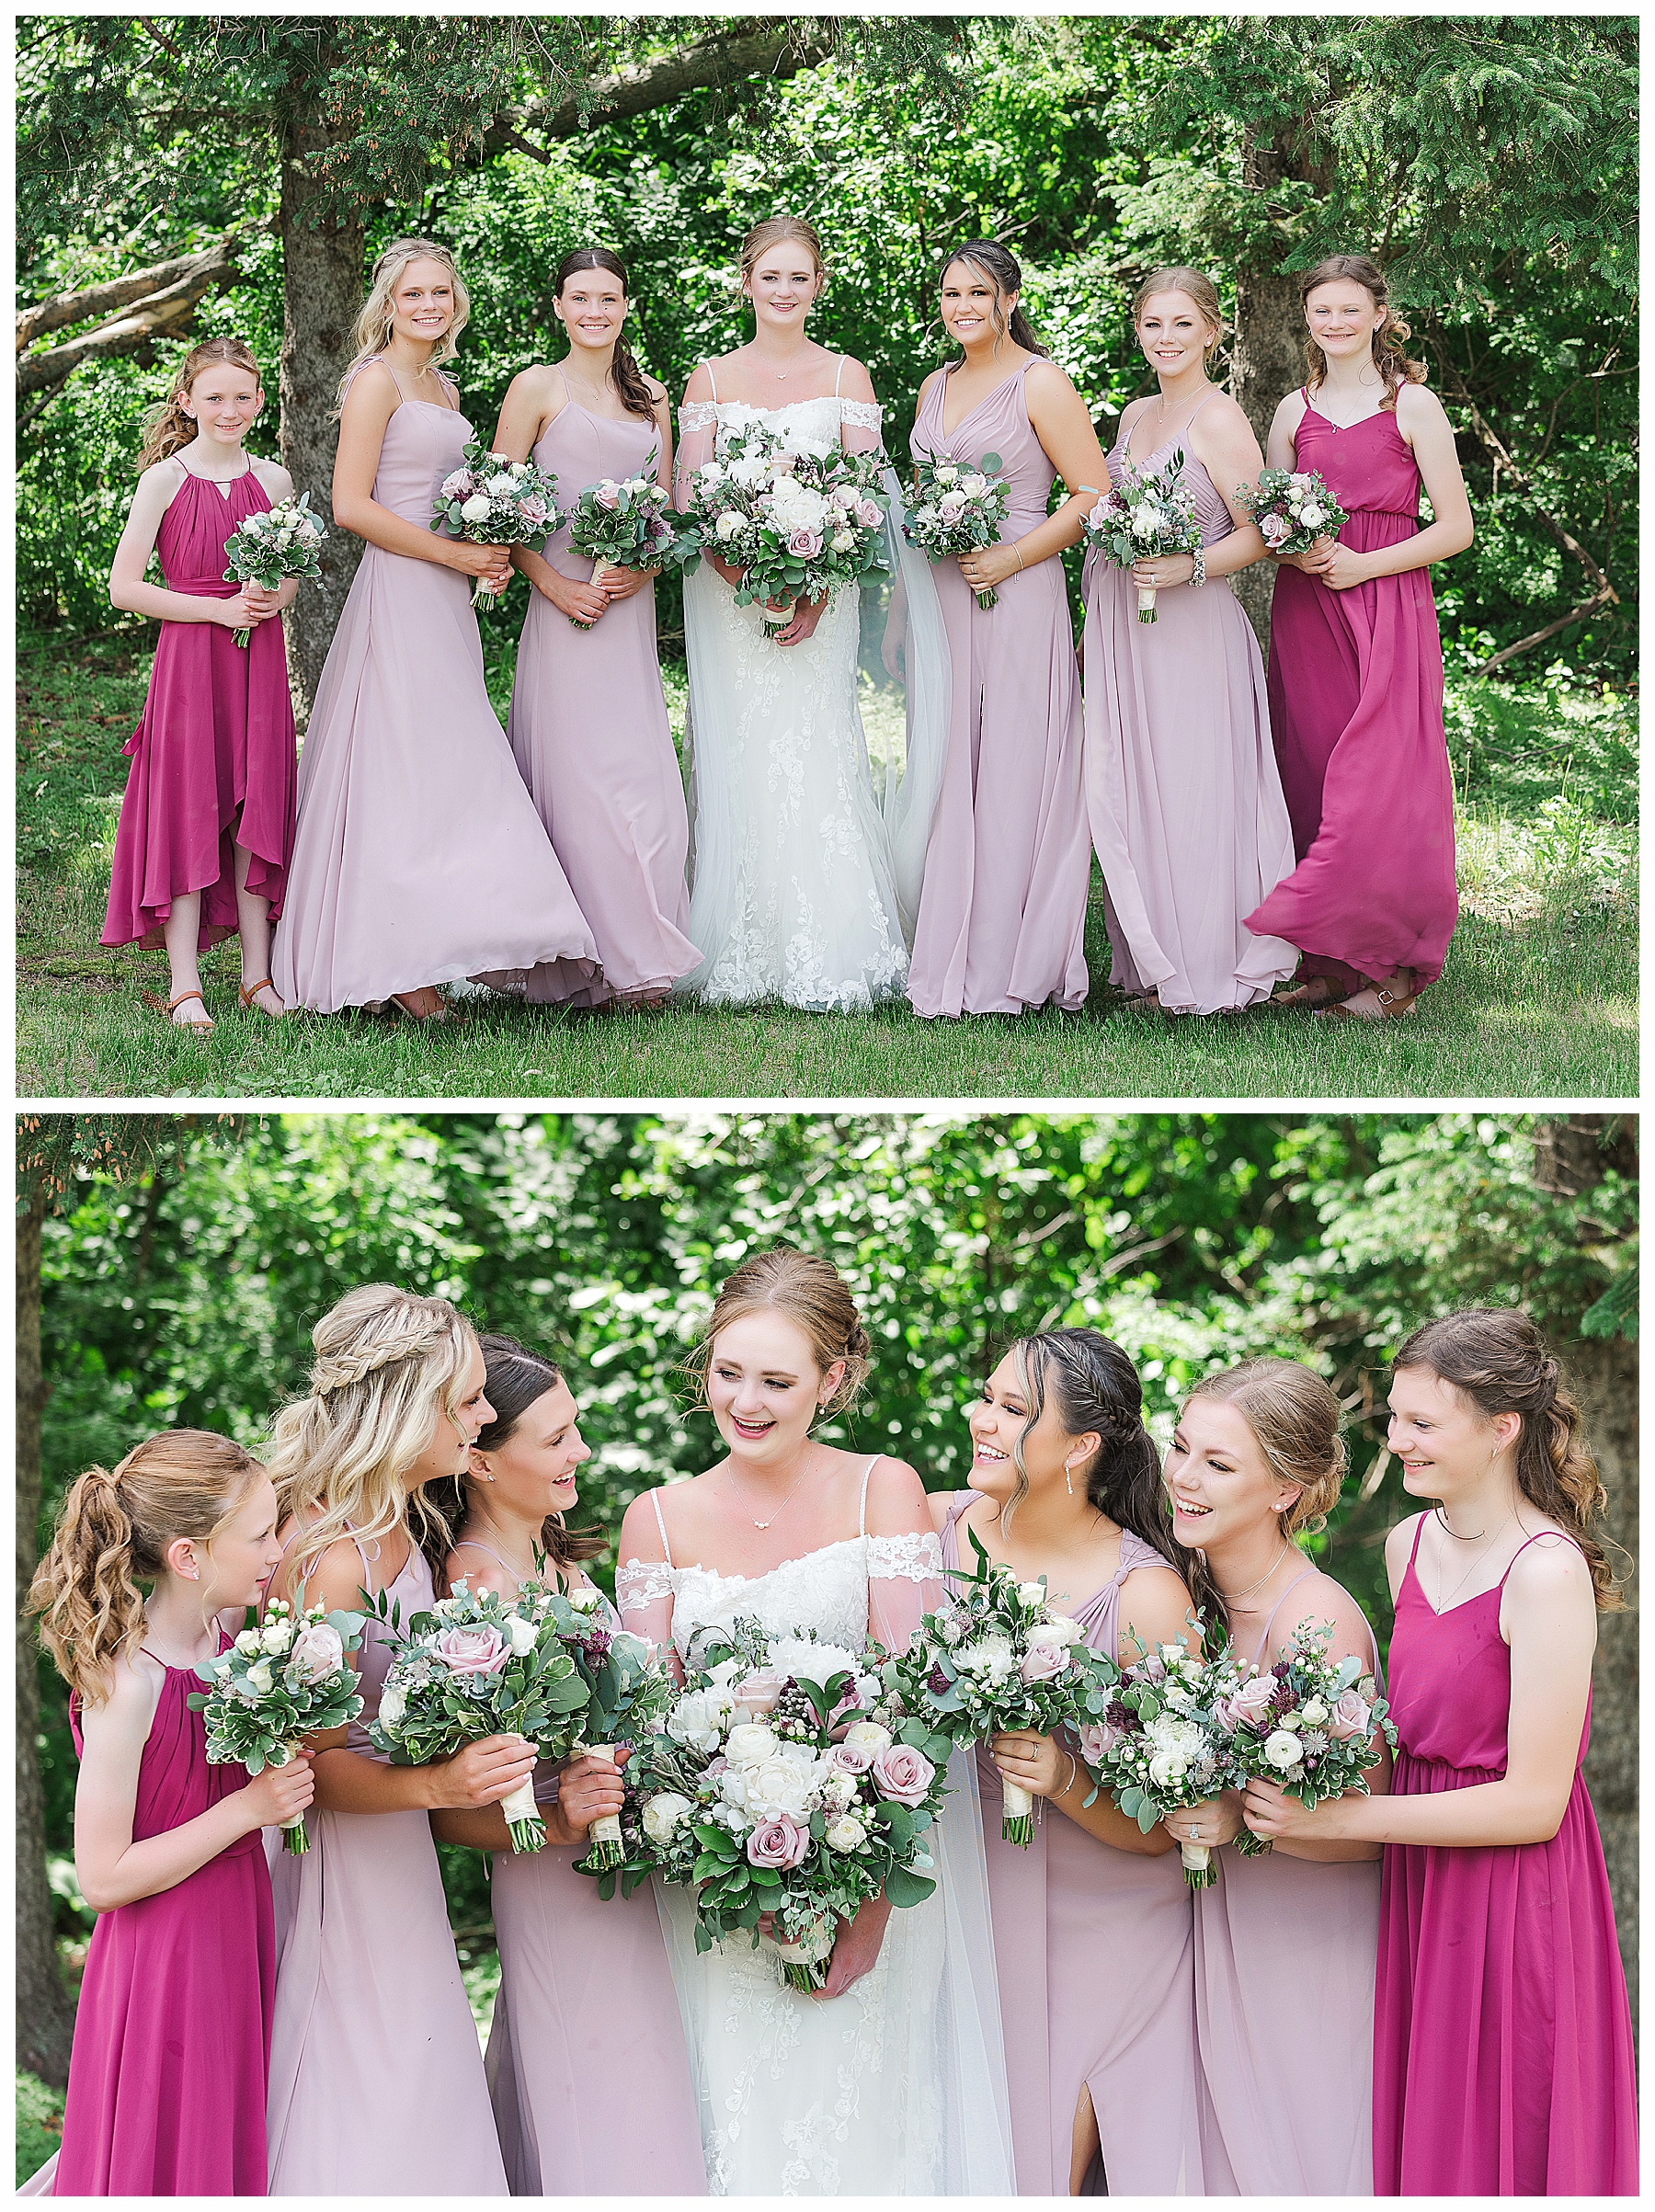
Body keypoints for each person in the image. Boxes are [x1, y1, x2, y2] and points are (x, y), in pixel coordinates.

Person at [616, 1245, 1013, 2194]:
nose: (746, 1401)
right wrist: (710, 1844)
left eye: (777, 1380)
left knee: (860, 2143)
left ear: (832, 1380)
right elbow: (648, 1729)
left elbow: (917, 1710)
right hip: (712, 1899)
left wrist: (871, 1900)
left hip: (866, 1880)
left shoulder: (883, 1488)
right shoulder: (656, 1519)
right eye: (729, 1372)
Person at [1242, 1309, 1638, 2195]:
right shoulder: (1405, 1545)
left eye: (1423, 1423)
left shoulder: (1545, 1570)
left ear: (1503, 1430)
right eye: (1394, 1417)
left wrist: (1343, 1816)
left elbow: (1535, 1800)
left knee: (1509, 2139)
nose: (1397, 1440)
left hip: (1513, 1893)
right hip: (1423, 1889)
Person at [270, 237, 598, 1019]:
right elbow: (352, 506)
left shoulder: (444, 388)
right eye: (414, 293)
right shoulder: (376, 382)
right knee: (404, 764)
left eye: (441, 294)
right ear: (388, 301)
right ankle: (401, 968)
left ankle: (447, 937)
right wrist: (456, 552)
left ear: (455, 303)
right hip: (402, 589)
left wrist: (484, 554)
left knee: (447, 766)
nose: (429, 306)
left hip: (448, 595)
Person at [261, 1285, 535, 2195]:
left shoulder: (406, 1535)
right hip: (340, 1878)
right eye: (465, 1402)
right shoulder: (329, 1558)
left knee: (411, 2093)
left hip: (398, 1867)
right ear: (405, 1410)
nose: (488, 1414)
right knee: (367, 2101)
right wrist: (439, 1784)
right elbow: (309, 1765)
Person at [425, 1334, 705, 2195]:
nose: (580, 1451)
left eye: (575, 1427)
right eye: (554, 1439)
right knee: (600, 2119)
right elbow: (446, 1811)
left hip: (620, 1881)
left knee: (644, 2113)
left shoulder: (551, 1562)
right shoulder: (472, 1590)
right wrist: (558, 1815)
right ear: (477, 1460)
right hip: (558, 1882)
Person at [930, 1330, 1207, 2195]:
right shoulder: (921, 1530)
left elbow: (1173, 1825)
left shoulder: (1145, 1596)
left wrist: (1064, 1776)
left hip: (1099, 1919)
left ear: (1080, 1448)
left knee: (1037, 2161)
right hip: (950, 1895)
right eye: (986, 1398)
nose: (982, 1421)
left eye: (1014, 1410)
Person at [23, 1431, 314, 2195]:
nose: (276, 1549)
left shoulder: (236, 1647)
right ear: (189, 1557)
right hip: (166, 1957)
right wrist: (250, 1808)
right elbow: (102, 1876)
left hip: (234, 1930)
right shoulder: (129, 1682)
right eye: (259, 1536)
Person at [673, 217, 949, 1010]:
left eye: (800, 277)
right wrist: (747, 577)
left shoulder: (846, 377)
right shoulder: (711, 381)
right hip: (732, 599)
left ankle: (840, 937)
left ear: (818, 286)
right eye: (771, 276)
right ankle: (741, 939)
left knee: (821, 743)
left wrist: (818, 587)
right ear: (746, 283)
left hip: (826, 598)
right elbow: (692, 497)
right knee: (742, 748)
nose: (785, 291)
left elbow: (864, 501)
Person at [1166, 1359, 1388, 2194]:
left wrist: (1244, 1819)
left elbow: (1371, 1831)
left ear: (1286, 1490)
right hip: (1209, 1937)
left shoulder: (1316, 1619)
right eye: (1181, 1448)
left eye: (1219, 1465)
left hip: (1306, 1955)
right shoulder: (1186, 1597)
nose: (1184, 1478)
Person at [1246, 253, 1474, 1019]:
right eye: (1321, 310)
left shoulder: (1414, 404)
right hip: (1307, 609)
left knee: (1385, 785)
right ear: (1306, 319)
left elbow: (1457, 528)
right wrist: (1293, 545)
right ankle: (1330, 962)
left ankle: (1397, 972)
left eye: (1350, 309)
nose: (1335, 322)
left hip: (1387, 606)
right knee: (1309, 770)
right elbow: (1270, 516)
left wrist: (1366, 563)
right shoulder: (1291, 410)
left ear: (1378, 315)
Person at [487, 249, 700, 1010]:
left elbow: (668, 505)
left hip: (628, 606)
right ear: (558, 307)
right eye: (580, 298)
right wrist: (553, 586)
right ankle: (583, 959)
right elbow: (494, 506)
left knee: (640, 781)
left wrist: (641, 570)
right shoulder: (534, 388)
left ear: (625, 307)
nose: (595, 312)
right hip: (563, 606)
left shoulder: (652, 398)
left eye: (608, 298)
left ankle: (642, 954)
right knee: (578, 784)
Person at [1081, 271, 1298, 1015]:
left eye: (1180, 324)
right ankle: (1157, 963)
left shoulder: (1219, 418)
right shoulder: (1136, 414)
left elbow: (1265, 534)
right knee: (1136, 790)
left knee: (1195, 792)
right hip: (1127, 627)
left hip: (1192, 631)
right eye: (1151, 324)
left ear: (1211, 331)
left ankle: (1208, 972)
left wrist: (1191, 564)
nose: (1165, 338)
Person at [906, 241, 1106, 1019]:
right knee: (949, 758)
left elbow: (1091, 492)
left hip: (1017, 590)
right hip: (944, 589)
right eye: (951, 293)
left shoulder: (1042, 382)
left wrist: (1012, 558)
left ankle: (1010, 960)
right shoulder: (935, 383)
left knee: (1018, 761)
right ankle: (947, 946)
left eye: (978, 293)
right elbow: (922, 496)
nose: (962, 307)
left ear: (1009, 300)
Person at [103, 338, 297, 1029]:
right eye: (214, 396)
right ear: (186, 401)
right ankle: (185, 984)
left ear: (260, 402)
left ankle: (258, 977)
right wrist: (216, 608)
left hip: (257, 662)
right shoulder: (164, 480)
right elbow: (125, 588)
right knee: (189, 807)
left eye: (243, 397)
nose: (230, 409)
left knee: (254, 809)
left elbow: (289, 576)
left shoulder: (273, 481)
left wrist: (273, 594)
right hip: (190, 660)